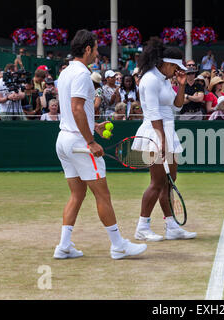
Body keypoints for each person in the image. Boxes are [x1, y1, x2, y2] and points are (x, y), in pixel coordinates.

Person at [54, 29, 147, 260]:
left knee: (77, 194)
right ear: (87, 49)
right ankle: (118, 246)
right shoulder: (82, 74)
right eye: (95, 49)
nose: (97, 53)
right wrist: (91, 141)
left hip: (64, 140)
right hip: (79, 143)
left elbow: (73, 109)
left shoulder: (65, 72)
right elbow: (76, 108)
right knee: (103, 195)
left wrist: (92, 125)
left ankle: (63, 246)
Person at [133, 37, 197, 241]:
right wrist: (161, 140)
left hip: (167, 130)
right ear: (167, 64)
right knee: (157, 182)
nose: (177, 71)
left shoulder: (163, 79)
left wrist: (181, 84)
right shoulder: (150, 79)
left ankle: (171, 226)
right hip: (155, 132)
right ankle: (142, 227)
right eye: (175, 68)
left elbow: (177, 106)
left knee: (170, 182)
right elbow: (152, 112)